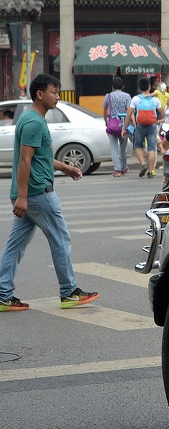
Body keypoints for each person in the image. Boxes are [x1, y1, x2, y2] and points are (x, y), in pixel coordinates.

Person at [0, 74, 99, 312]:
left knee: (15, 245)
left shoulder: (30, 118)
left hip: (29, 194)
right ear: (40, 94)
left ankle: (3, 294)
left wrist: (65, 166)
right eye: (54, 92)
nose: (57, 96)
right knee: (61, 240)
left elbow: (40, 157)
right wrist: (23, 197)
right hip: (37, 194)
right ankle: (69, 291)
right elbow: (25, 161)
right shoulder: (34, 122)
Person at [125, 77, 162, 178]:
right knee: (151, 148)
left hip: (140, 126)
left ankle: (143, 164)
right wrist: (159, 119)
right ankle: (150, 171)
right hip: (152, 125)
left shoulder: (136, 99)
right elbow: (162, 113)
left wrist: (124, 128)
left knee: (138, 146)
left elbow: (129, 114)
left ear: (140, 87)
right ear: (149, 86)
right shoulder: (155, 100)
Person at [104, 76, 132, 177]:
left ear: (112, 86)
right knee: (123, 147)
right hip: (124, 124)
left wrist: (106, 122)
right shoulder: (127, 96)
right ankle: (124, 167)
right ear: (123, 86)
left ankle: (117, 170)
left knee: (114, 148)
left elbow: (105, 111)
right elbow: (130, 111)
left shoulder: (108, 96)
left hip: (112, 124)